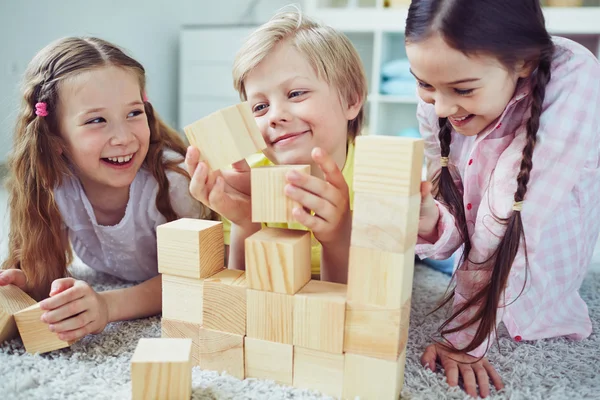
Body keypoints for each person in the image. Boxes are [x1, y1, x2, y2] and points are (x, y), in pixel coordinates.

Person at [406, 0, 600, 397]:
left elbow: (509, 210)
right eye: (424, 84)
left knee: (525, 295)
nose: (440, 107)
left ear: (523, 63)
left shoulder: (574, 74)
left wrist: (465, 339)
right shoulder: (439, 102)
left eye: (462, 89)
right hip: (482, 246)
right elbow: (455, 212)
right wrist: (428, 218)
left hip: (536, 245)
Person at [0, 37, 212, 343]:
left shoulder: (173, 182)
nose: (123, 137)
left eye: (134, 113)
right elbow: (50, 271)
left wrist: (108, 305)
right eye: (97, 120)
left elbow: (199, 279)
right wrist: (30, 285)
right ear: (56, 139)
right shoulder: (55, 185)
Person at [185, 9, 367, 283]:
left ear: (351, 100)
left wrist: (338, 239)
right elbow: (244, 302)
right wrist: (246, 222)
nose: (275, 116)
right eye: (260, 106)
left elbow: (359, 307)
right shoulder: (245, 181)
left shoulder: (378, 180)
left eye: (296, 93)